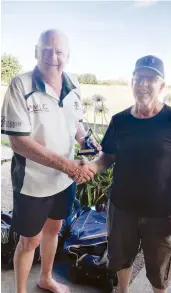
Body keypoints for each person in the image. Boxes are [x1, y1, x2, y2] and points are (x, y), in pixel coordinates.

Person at [1, 29, 100, 293]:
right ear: (36, 52)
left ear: (67, 56)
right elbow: (19, 142)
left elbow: (77, 124)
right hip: (32, 182)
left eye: (59, 51)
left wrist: (89, 144)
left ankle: (46, 278)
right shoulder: (20, 85)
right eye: (46, 49)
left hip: (63, 180)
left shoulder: (74, 84)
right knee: (29, 240)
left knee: (54, 229)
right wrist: (68, 165)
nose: (52, 56)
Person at [74, 55, 171, 293]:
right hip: (122, 209)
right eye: (139, 78)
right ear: (132, 82)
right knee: (121, 259)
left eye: (150, 79)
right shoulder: (119, 121)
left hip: (161, 213)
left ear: (161, 86)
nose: (143, 84)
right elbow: (107, 156)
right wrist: (91, 167)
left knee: (159, 269)